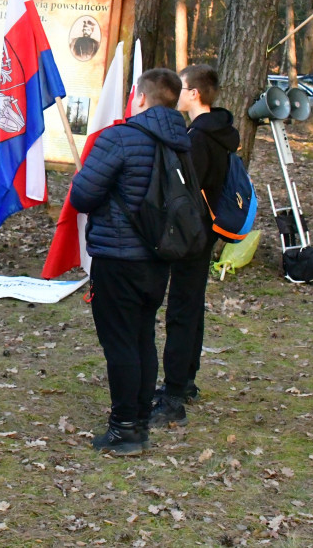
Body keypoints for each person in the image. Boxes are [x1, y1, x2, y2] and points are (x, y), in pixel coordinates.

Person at [69, 67, 188, 456]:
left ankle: (125, 429)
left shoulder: (119, 138)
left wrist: (82, 179)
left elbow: (83, 196)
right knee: (142, 337)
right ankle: (137, 419)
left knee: (121, 343)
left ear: (139, 96)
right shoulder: (182, 143)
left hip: (118, 258)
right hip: (159, 258)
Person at [151, 64, 240, 426]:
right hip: (205, 232)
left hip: (193, 233)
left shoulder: (199, 138)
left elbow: (187, 191)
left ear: (195, 94)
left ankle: (174, 395)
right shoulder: (220, 130)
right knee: (192, 304)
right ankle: (186, 379)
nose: (178, 94)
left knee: (182, 310)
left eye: (183, 88)